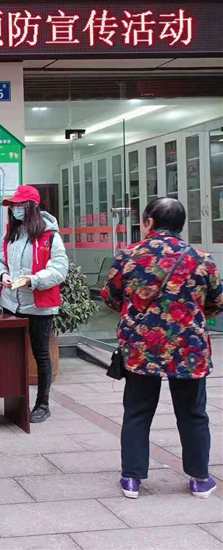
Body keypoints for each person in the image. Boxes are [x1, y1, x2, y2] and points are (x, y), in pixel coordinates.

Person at [102, 197, 222, 500]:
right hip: (189, 348)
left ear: (149, 223)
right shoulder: (201, 259)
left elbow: (111, 297)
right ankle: (200, 479)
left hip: (142, 347)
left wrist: (137, 313)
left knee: (137, 412)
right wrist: (190, 317)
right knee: (193, 413)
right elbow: (216, 302)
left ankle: (132, 478)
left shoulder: (129, 256)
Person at [0, 185, 68, 424]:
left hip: (39, 305)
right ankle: (15, 401)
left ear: (32, 207)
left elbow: (59, 269)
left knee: (41, 354)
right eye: (12, 205)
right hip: (11, 303)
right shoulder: (10, 234)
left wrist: (32, 280)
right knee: (12, 353)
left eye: (19, 205)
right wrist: (2, 275)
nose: (15, 209)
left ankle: (43, 404)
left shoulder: (50, 236)